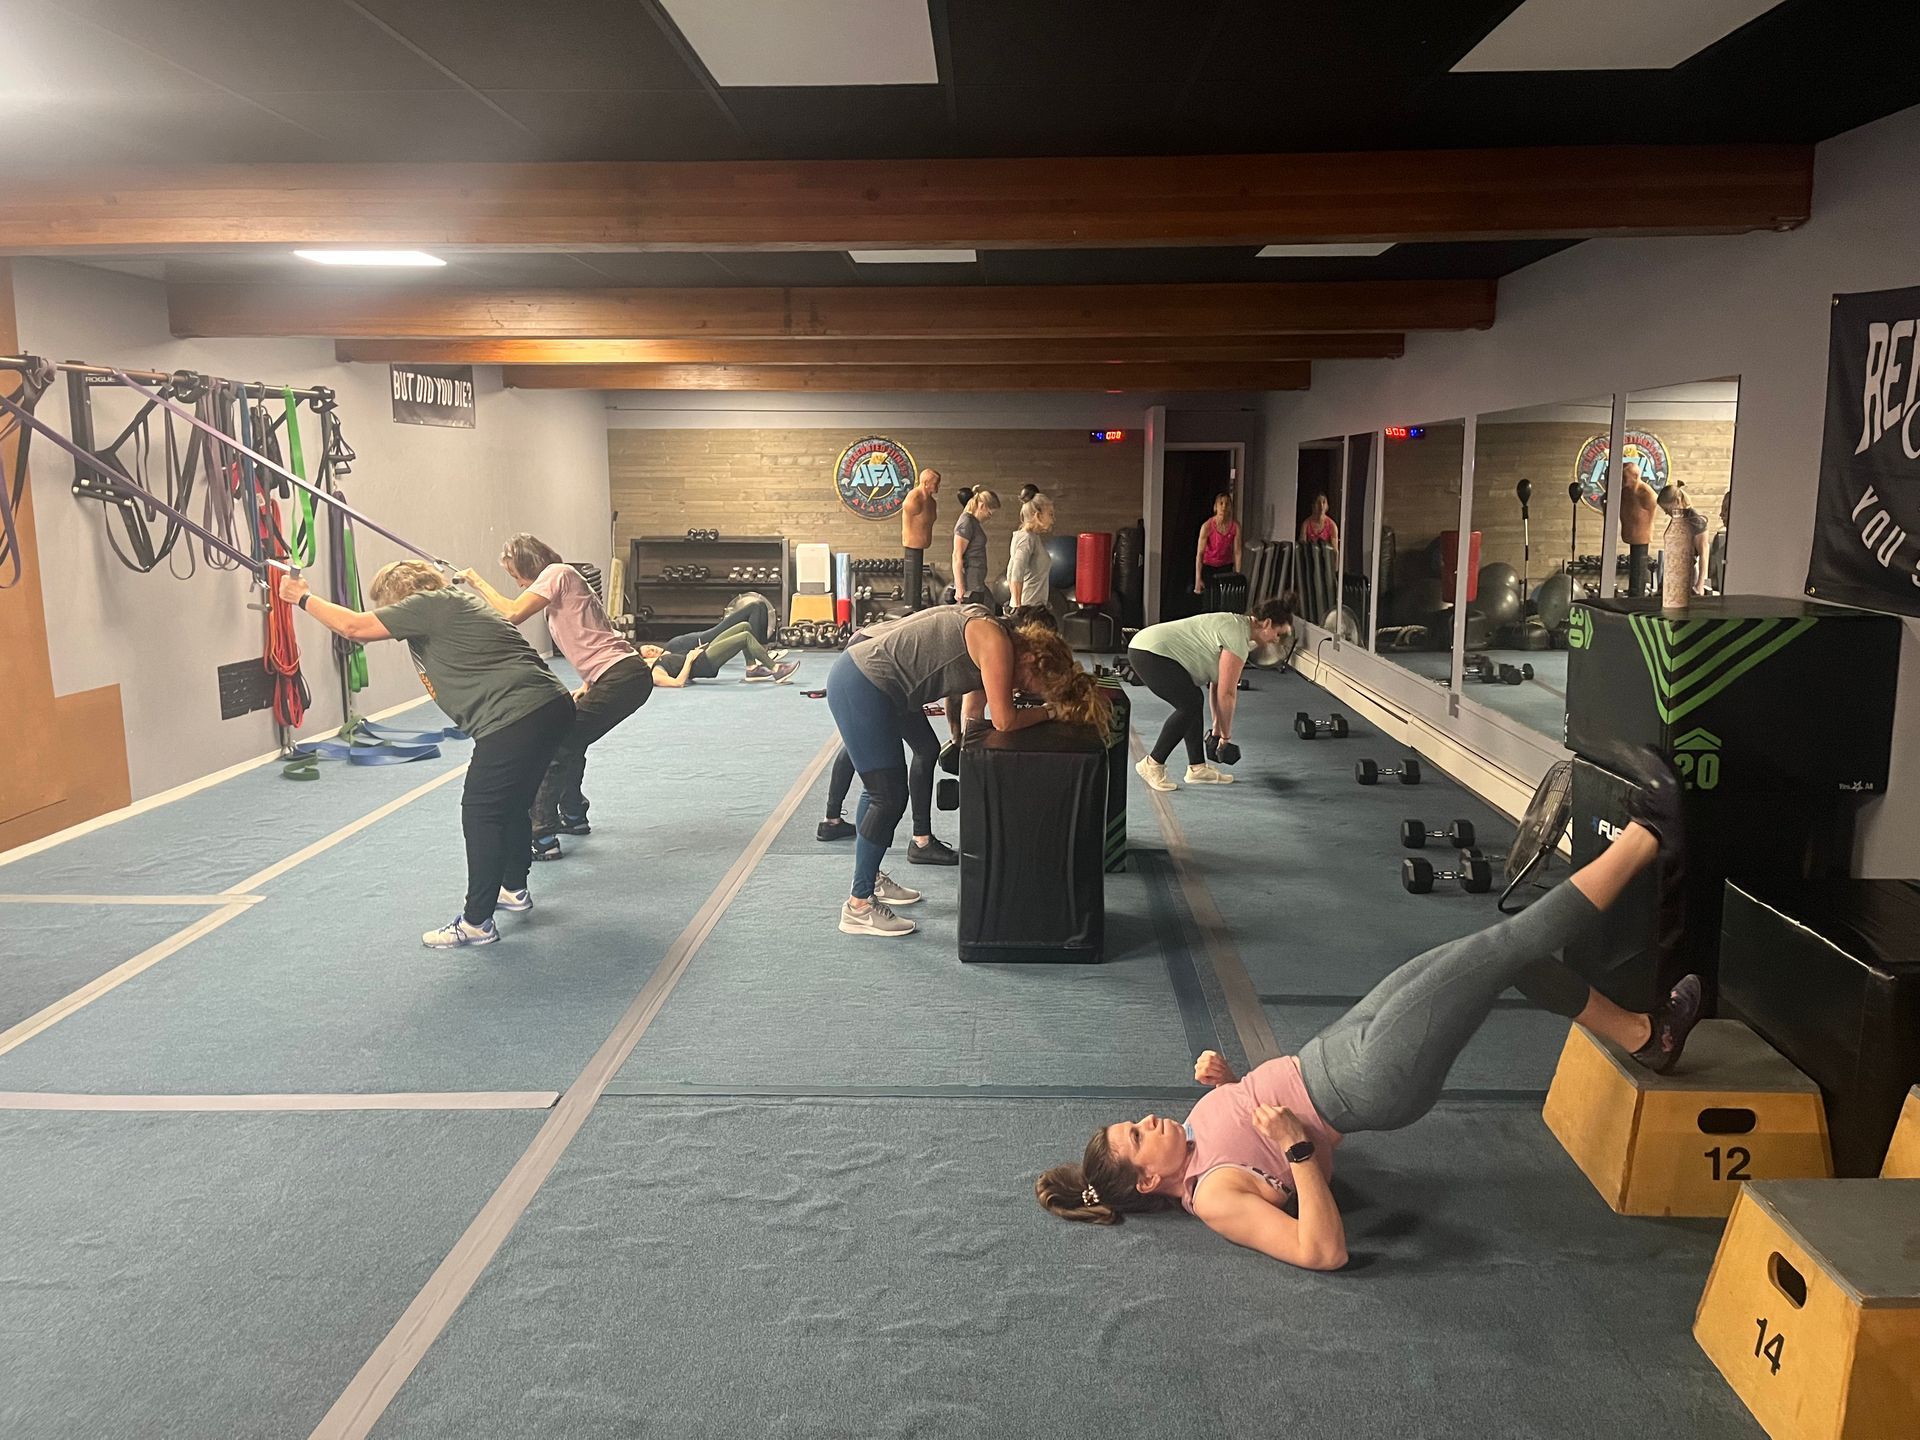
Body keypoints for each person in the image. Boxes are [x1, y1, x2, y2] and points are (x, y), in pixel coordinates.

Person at [1035, 751, 1704, 1272]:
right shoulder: (1210, 1198)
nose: (1145, 1119)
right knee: (1504, 942)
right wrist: (1296, 1147)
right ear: (1150, 1179)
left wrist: (1230, 1083)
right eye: (1136, 1135)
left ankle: (1645, 1036)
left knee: (1506, 962)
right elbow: (1320, 1250)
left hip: (1338, 1048)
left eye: (1130, 1123)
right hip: (1368, 1079)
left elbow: (1263, 1140)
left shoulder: (1193, 1139)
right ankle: (1652, 835)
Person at [280, 562, 574, 949]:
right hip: (547, 706)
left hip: (515, 714)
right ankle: (513, 889)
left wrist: (301, 597)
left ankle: (476, 922)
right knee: (512, 804)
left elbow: (355, 628)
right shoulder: (452, 604)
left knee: (481, 810)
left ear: (399, 598)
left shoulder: (428, 605)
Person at [826, 604, 1110, 938]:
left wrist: (964, 747)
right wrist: (1050, 711)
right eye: (1034, 686)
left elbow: (974, 712)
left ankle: (870, 877)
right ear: (1032, 660)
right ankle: (859, 905)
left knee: (918, 756)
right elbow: (1004, 720)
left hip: (885, 683)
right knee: (886, 795)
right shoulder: (995, 644)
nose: (1025, 692)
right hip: (863, 682)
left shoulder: (995, 637)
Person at [462, 535, 652, 863]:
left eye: (516, 575)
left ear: (528, 565)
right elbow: (592, 636)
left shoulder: (557, 573)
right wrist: (591, 683)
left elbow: (512, 614)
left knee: (556, 746)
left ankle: (542, 835)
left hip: (623, 675)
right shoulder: (563, 581)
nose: (519, 583)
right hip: (617, 676)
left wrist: (475, 581)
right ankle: (573, 815)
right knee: (571, 740)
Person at [1129, 598, 1293, 791]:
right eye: (1277, 634)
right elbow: (1227, 694)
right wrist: (1226, 737)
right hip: (1149, 652)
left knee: (1193, 699)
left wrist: (1217, 730)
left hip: (1147, 648)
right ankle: (1152, 763)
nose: (1276, 640)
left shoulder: (1241, 631)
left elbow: (1217, 686)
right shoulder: (1237, 637)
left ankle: (1197, 768)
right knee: (1189, 704)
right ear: (1267, 624)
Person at [1658, 485, 1711, 607]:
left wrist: (1700, 584)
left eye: (1667, 509)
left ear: (1677, 501)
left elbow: (1704, 554)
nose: (1666, 513)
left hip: (1688, 575)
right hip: (1671, 572)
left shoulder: (1696, 521)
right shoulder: (1677, 520)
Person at [951, 487, 1001, 607]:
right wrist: (960, 587)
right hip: (970, 583)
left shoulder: (973, 522)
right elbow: (956, 556)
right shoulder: (966, 522)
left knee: (990, 607)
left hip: (977, 581)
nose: (989, 517)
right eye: (989, 513)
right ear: (982, 506)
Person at [1006, 494, 1056, 612]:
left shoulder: (1032, 537)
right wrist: (1019, 609)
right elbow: (1015, 572)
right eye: (1050, 514)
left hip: (1034, 607)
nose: (1053, 519)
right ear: (1038, 515)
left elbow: (1010, 571)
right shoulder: (1026, 539)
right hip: (1028, 609)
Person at [901, 467, 941, 612]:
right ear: (925, 483)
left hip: (921, 545)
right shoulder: (913, 499)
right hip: (912, 545)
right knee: (912, 589)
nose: (937, 487)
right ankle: (911, 608)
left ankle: (915, 607)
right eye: (935, 483)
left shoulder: (931, 502)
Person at [1620, 460, 1658, 597]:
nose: (1622, 481)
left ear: (1635, 477)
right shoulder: (1625, 492)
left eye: (1624, 478)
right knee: (1635, 571)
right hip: (1630, 532)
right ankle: (1635, 593)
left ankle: (1637, 596)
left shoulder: (1646, 494)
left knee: (1639, 571)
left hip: (1641, 536)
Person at [1194, 492, 1242, 600]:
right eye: (1221, 503)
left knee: (1225, 600)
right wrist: (1198, 578)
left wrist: (1238, 575)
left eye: (1227, 504)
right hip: (1209, 567)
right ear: (1216, 506)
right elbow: (1200, 554)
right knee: (1209, 599)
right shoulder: (1207, 526)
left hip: (1226, 567)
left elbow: (1237, 551)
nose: (1224, 507)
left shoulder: (1235, 527)